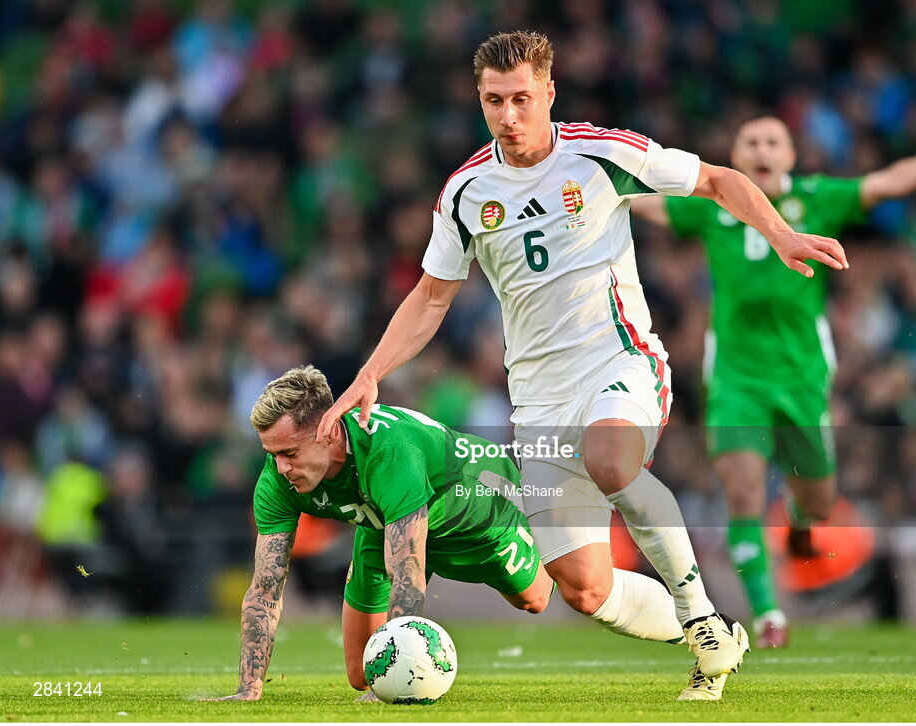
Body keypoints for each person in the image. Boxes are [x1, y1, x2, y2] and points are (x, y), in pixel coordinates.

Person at [316, 31, 849, 701]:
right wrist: (372, 371)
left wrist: (780, 234)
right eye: (493, 101)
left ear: (548, 93)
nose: (508, 116)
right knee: (585, 587)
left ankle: (701, 620)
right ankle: (713, 634)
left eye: (520, 99)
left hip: (621, 363)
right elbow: (430, 298)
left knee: (610, 460)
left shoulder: (602, 154)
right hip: (539, 400)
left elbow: (716, 180)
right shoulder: (464, 192)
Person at [631, 111, 916, 648]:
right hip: (737, 379)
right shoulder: (711, 209)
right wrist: (591, 184)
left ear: (789, 156)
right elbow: (644, 201)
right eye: (751, 141)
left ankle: (801, 524)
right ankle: (768, 617)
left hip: (802, 379)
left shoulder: (818, 198)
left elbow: (888, 181)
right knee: (742, 493)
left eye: (772, 142)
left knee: (819, 503)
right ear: (736, 157)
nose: (761, 149)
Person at [207, 365, 554, 702]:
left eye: (290, 453)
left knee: (535, 599)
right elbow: (266, 587)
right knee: (363, 674)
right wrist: (248, 690)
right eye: (272, 454)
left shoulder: (388, 451)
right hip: (383, 525)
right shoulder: (277, 480)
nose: (281, 468)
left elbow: (408, 571)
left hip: (473, 517)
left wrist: (396, 679)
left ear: (328, 432)